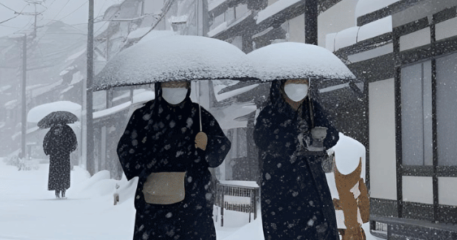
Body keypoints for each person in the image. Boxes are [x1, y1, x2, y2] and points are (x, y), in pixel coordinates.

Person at [117, 80, 231, 240]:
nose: (175, 88)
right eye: (169, 83)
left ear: (188, 86)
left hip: (194, 205)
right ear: (159, 85)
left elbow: (221, 147)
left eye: (180, 83)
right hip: (154, 206)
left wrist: (209, 144)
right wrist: (147, 161)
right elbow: (126, 151)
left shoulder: (199, 116)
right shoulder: (143, 116)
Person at [254, 78, 340, 240]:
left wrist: (320, 138)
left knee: (319, 231)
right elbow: (262, 140)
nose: (299, 86)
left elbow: (333, 135)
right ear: (281, 85)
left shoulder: (313, 109)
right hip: (280, 188)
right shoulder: (270, 112)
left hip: (313, 185)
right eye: (294, 81)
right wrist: (293, 136)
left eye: (303, 81)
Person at [43, 122, 77, 198]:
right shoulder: (67, 130)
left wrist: (48, 150)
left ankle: (57, 190)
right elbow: (73, 141)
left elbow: (46, 142)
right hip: (64, 155)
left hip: (55, 156)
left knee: (56, 174)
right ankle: (63, 190)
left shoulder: (52, 130)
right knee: (63, 173)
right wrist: (69, 148)